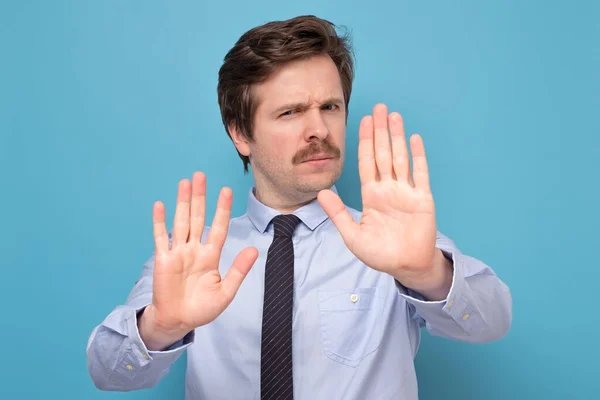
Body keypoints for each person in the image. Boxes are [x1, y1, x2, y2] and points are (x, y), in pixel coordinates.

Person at [86, 14, 512, 399]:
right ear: (241, 135)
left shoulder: (391, 242)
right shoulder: (194, 256)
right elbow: (110, 372)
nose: (318, 129)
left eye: (330, 107)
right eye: (290, 112)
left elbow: (491, 321)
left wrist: (428, 273)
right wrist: (160, 327)